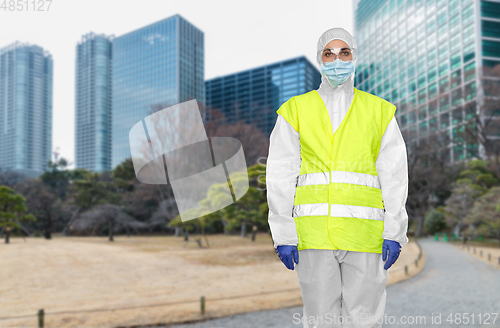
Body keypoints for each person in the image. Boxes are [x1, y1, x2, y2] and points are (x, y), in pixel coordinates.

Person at [267, 27, 409, 328]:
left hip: (365, 234)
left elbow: (394, 175)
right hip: (313, 235)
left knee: (365, 319)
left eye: (344, 52)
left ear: (354, 56)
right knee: (320, 320)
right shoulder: (295, 110)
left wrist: (394, 231)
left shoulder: (379, 111)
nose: (336, 60)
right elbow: (280, 173)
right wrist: (283, 233)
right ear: (319, 59)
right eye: (328, 53)